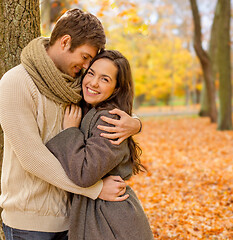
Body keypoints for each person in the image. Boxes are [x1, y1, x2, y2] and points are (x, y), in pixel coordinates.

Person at [0, 9, 141, 239]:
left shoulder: (77, 84)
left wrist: (136, 124)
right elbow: (32, 158)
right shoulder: (16, 82)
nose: (87, 67)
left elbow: (110, 103)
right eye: (85, 57)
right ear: (65, 42)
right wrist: (95, 189)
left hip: (73, 220)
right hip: (30, 224)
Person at [46, 50, 154, 240]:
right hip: (98, 215)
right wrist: (137, 123)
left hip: (110, 222)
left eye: (105, 79)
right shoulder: (90, 109)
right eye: (91, 73)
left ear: (117, 88)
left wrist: (70, 131)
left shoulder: (109, 119)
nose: (94, 83)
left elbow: (85, 174)